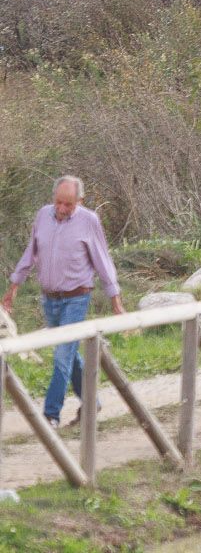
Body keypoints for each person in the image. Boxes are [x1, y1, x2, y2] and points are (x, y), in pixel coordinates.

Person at [2, 175, 124, 426]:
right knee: (69, 354)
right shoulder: (43, 216)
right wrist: (14, 285)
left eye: (68, 204)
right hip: (50, 299)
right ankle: (92, 404)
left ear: (80, 201)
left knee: (61, 356)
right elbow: (31, 252)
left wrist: (115, 300)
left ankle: (50, 415)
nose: (61, 209)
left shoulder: (88, 221)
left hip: (76, 298)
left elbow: (102, 260)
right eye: (58, 202)